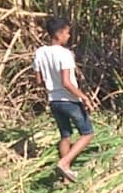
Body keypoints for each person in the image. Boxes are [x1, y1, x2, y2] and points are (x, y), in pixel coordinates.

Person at [33, 16, 95, 182]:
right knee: (88, 134)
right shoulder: (65, 54)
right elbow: (67, 82)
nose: (68, 37)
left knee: (65, 135)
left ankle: (66, 174)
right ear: (59, 34)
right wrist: (84, 97)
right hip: (69, 101)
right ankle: (65, 162)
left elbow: (39, 80)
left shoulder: (40, 53)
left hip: (53, 100)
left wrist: (51, 87)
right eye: (67, 33)